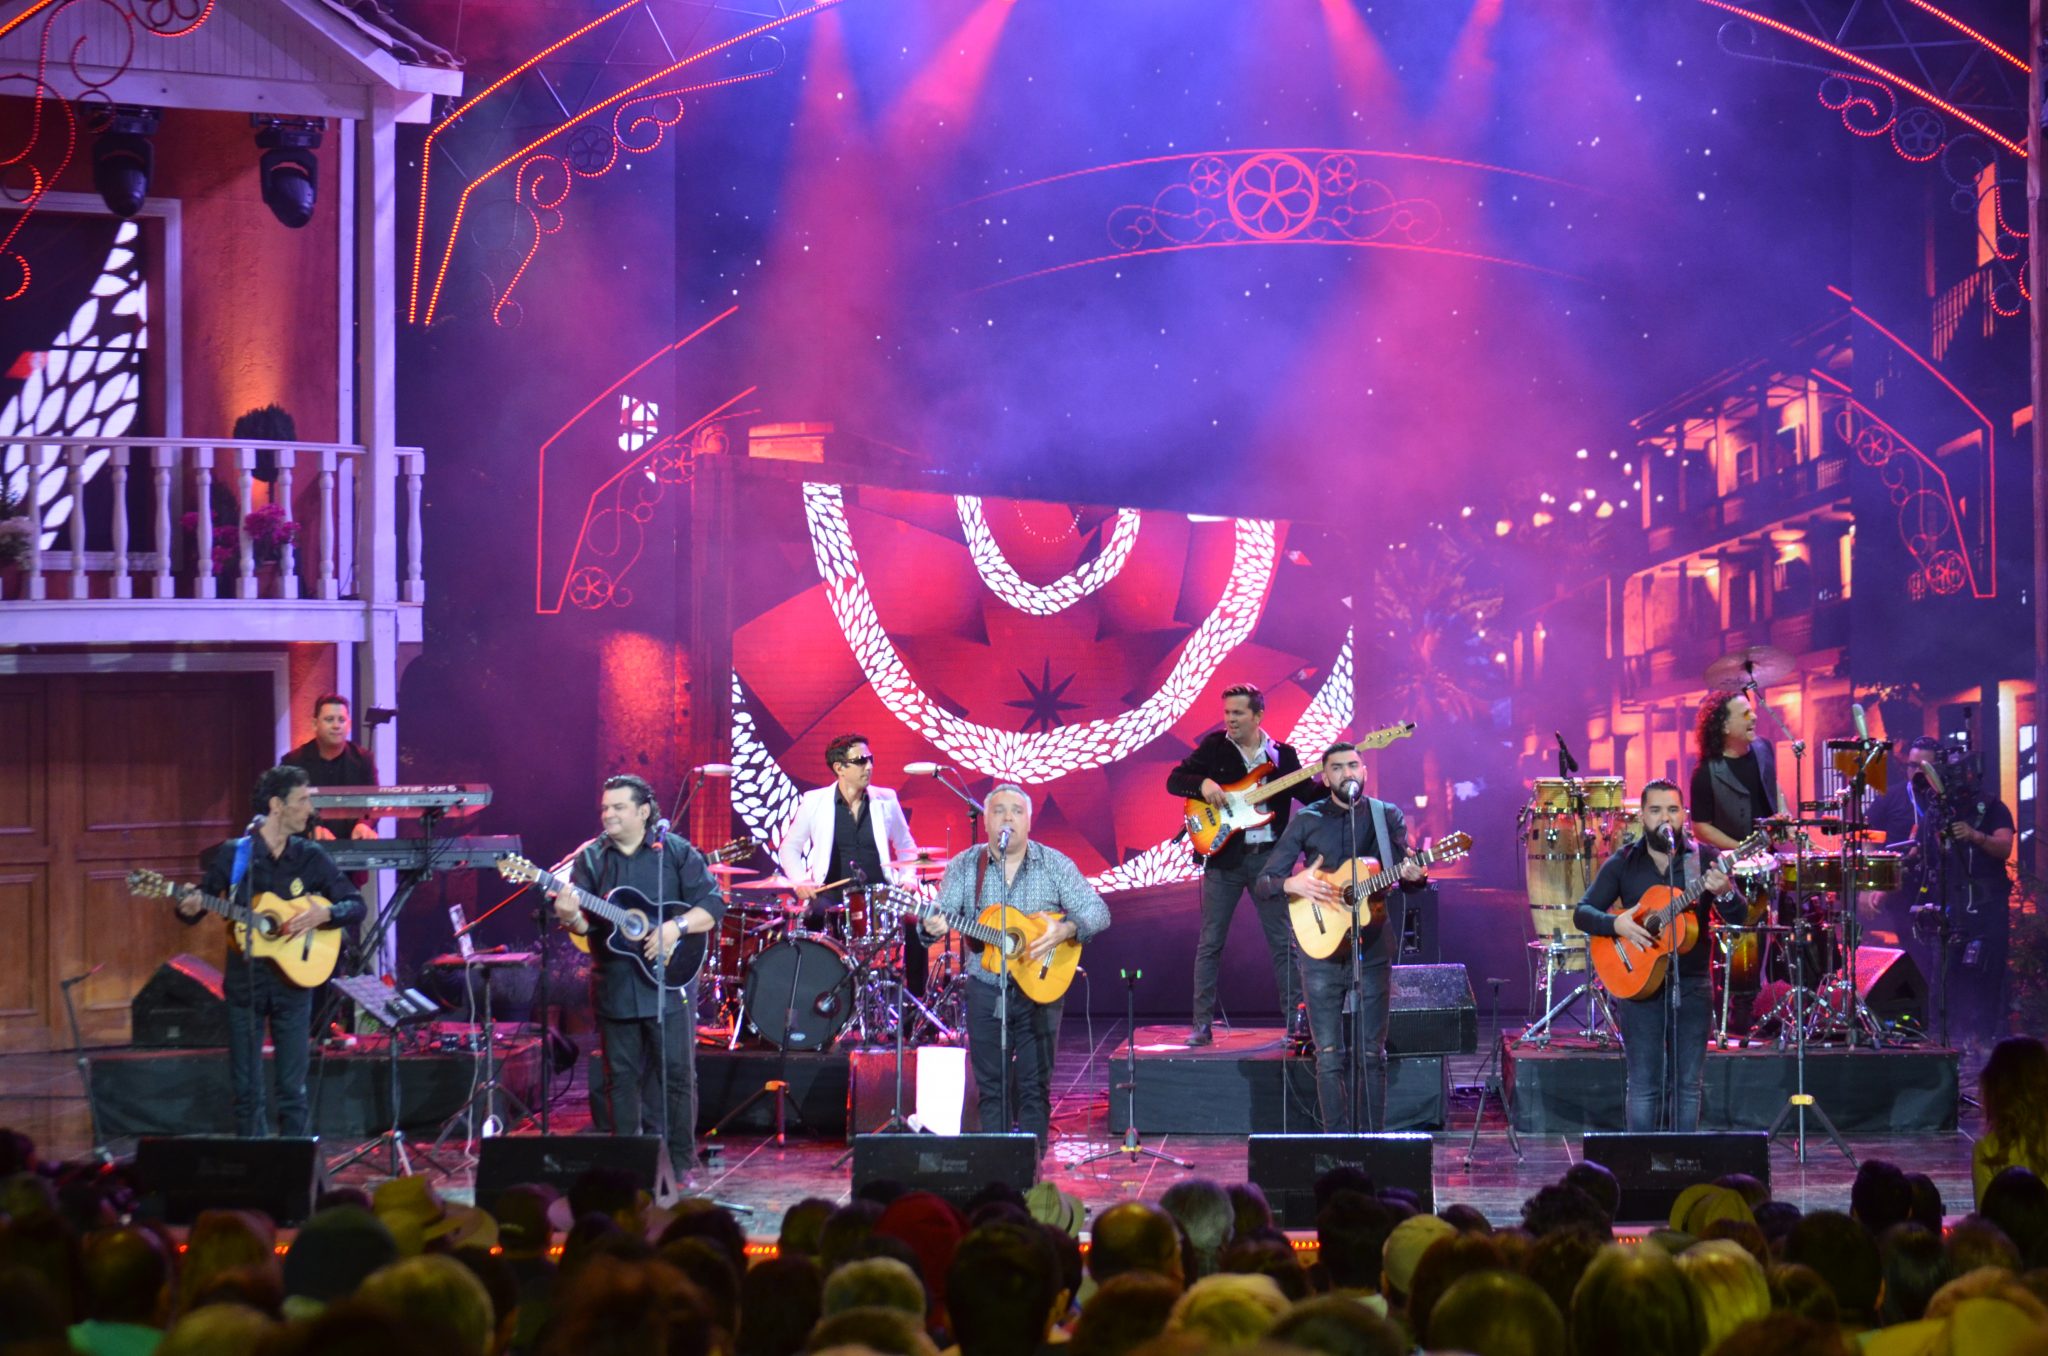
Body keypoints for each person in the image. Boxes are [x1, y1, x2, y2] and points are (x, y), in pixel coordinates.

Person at [550, 774, 725, 1182]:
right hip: (613, 983)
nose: (607, 814)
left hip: (671, 982)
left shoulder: (675, 852)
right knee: (620, 1079)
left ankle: (681, 1164)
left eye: (618, 807)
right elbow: (582, 927)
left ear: (643, 811)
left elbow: (712, 905)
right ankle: (627, 1166)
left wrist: (674, 928)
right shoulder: (591, 859)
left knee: (678, 1076)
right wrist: (569, 915)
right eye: (605, 808)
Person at [176, 764, 366, 1137]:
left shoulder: (311, 856)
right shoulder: (235, 854)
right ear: (277, 805)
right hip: (245, 985)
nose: (310, 810)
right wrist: (187, 906)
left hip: (294, 985)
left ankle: (295, 1170)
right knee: (247, 1092)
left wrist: (324, 913)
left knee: (292, 1090)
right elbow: (199, 906)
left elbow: (355, 904)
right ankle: (254, 1169)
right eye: (302, 801)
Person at [922, 783, 1110, 1151]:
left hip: (1040, 989)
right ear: (987, 821)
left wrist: (1067, 929)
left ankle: (1032, 1174)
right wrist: (930, 927)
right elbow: (936, 921)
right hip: (985, 988)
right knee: (991, 1088)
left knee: (1033, 1087)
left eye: (1016, 811)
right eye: (999, 810)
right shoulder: (966, 865)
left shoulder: (1054, 863)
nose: (1008, 817)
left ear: (1029, 821)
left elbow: (1098, 911)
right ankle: (997, 1169)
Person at [1254, 743, 1427, 1130]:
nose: (1347, 773)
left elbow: (1405, 878)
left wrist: (1418, 875)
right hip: (1320, 948)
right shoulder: (1308, 819)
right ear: (1325, 776)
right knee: (1329, 1054)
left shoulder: (1386, 816)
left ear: (1364, 771)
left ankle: (1374, 1142)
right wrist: (1292, 883)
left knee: (1372, 1053)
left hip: (1373, 944)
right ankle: (1336, 1143)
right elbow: (1264, 882)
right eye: (1337, 768)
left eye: (1353, 766)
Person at [1572, 780, 1744, 1132]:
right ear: (1642, 817)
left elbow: (1740, 917)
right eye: (1655, 811)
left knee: (1687, 1087)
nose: (1665, 818)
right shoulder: (1624, 862)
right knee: (1644, 1086)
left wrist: (1725, 894)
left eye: (1672, 810)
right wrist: (1616, 924)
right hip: (1638, 987)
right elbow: (1582, 912)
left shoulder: (1706, 860)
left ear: (1684, 815)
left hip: (1693, 985)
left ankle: (1681, 1165)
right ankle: (1640, 1167)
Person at [1167, 683, 1327, 1046]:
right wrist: (1203, 782)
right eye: (1227, 713)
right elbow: (1174, 780)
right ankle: (1202, 1025)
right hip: (1224, 859)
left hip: (1269, 865)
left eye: (1238, 713)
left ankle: (1295, 1025)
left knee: (1283, 944)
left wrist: (1333, 783)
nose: (1230, 720)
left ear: (1258, 716)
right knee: (1210, 943)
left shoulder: (1283, 756)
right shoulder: (1214, 747)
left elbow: (1310, 797)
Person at [1884, 736, 2014, 1050]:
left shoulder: (1992, 806)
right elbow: (1925, 851)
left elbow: (2005, 845)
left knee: (1984, 978)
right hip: (1946, 909)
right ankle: (1942, 1042)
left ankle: (1984, 1043)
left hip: (1985, 910)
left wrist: (1975, 836)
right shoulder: (1936, 811)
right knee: (1942, 980)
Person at [775, 733, 927, 996]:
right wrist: (800, 881)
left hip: (881, 894)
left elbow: (906, 845)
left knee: (918, 926)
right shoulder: (815, 801)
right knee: (812, 923)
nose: (869, 766)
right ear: (839, 768)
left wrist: (908, 878)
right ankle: (820, 1001)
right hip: (832, 895)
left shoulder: (886, 799)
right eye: (860, 761)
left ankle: (914, 1007)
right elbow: (789, 847)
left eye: (870, 759)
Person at [1688, 691, 1782, 853]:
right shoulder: (1704, 772)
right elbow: (1700, 827)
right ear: (1724, 726)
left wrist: (1785, 820)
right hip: (1731, 864)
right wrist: (1742, 850)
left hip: (1769, 856)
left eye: (1752, 711)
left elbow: (1773, 786)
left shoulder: (1764, 747)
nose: (1754, 717)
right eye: (1745, 714)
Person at [281, 693, 380, 841]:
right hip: (308, 850)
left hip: (353, 847)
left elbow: (375, 802)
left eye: (341, 720)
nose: (336, 725)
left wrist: (364, 824)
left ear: (349, 725)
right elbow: (284, 807)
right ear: (315, 724)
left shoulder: (364, 759)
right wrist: (310, 829)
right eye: (329, 719)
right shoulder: (293, 761)